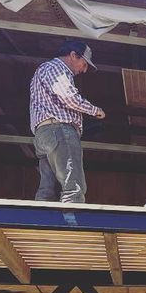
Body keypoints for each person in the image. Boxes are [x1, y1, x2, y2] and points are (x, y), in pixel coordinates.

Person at [29, 40, 105, 203]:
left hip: (44, 135)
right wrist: (95, 110)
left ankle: (39, 222)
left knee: (46, 189)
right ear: (72, 55)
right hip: (60, 130)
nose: (84, 70)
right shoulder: (56, 69)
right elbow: (68, 97)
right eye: (84, 64)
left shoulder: (44, 69)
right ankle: (73, 223)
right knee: (73, 188)